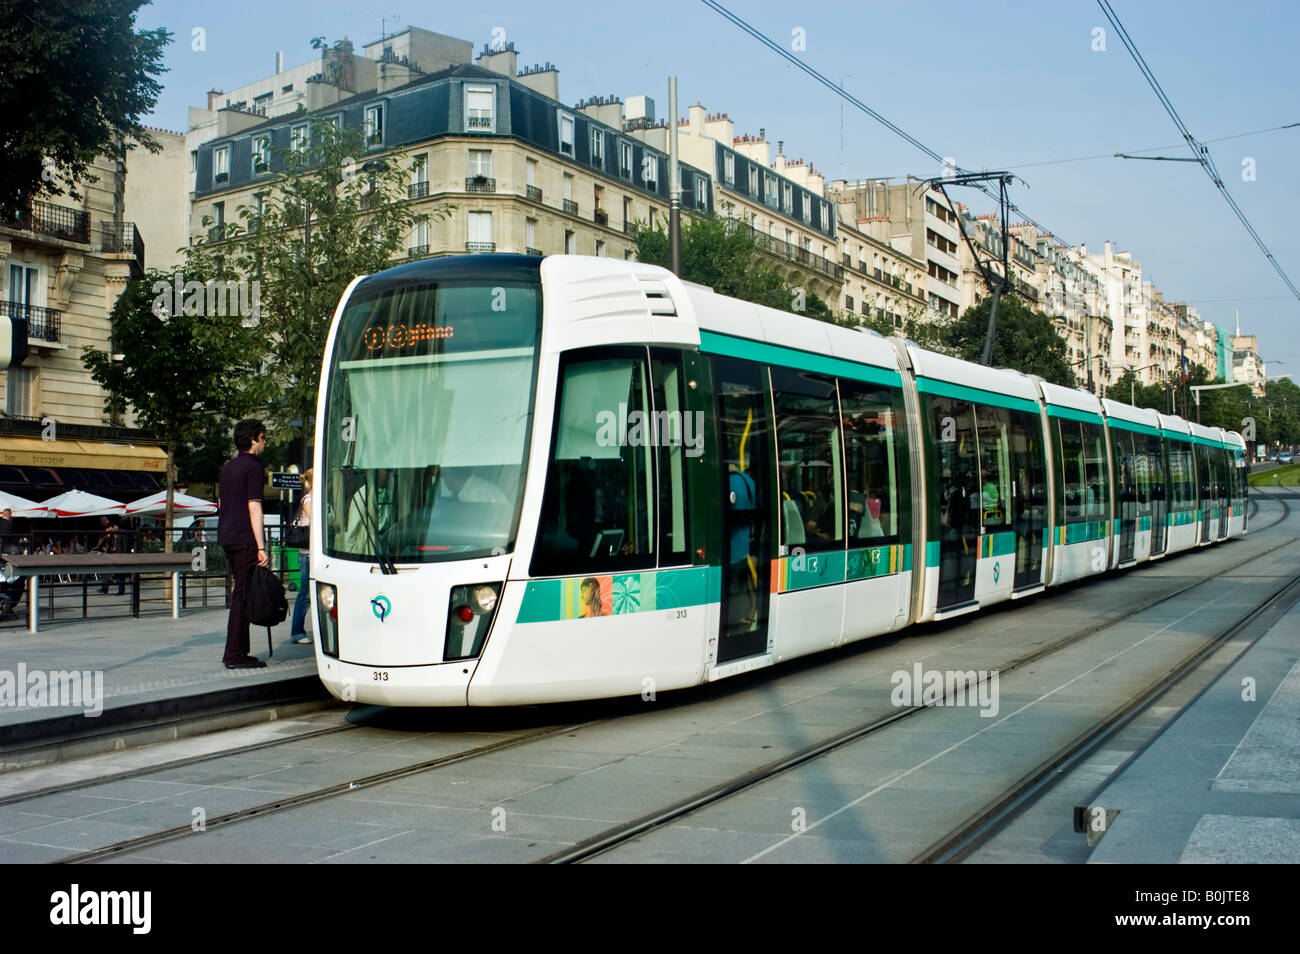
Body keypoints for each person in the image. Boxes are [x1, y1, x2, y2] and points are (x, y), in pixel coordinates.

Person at [218, 419, 269, 669]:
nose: (265, 442)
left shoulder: (228, 467)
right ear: (253, 440)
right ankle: (235, 654)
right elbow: (254, 506)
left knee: (240, 593)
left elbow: (222, 504)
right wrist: (261, 546)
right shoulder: (254, 467)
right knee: (241, 596)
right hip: (245, 539)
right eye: (263, 437)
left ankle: (238, 651)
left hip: (227, 536)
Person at [288, 469, 314, 645]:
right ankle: (297, 631)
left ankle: (298, 630)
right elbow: (317, 519)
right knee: (305, 593)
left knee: (308, 593)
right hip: (307, 554)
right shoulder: (309, 500)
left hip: (311, 554)